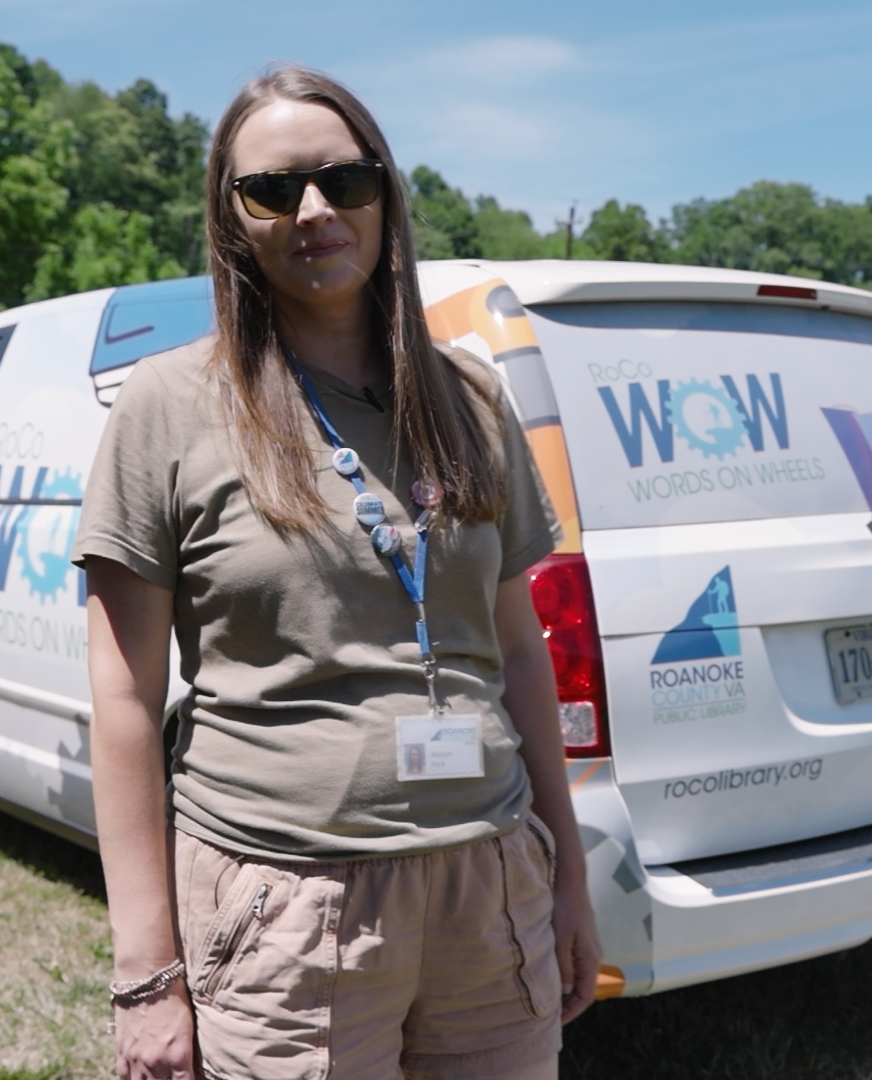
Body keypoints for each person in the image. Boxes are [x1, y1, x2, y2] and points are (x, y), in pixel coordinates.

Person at [76, 65, 600, 1080]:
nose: (315, 211)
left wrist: (569, 881)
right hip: (286, 901)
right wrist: (147, 974)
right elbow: (125, 703)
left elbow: (520, 654)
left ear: (385, 194)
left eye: (344, 181)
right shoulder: (169, 405)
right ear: (232, 219)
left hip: (487, 891)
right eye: (273, 190)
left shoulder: (472, 400)